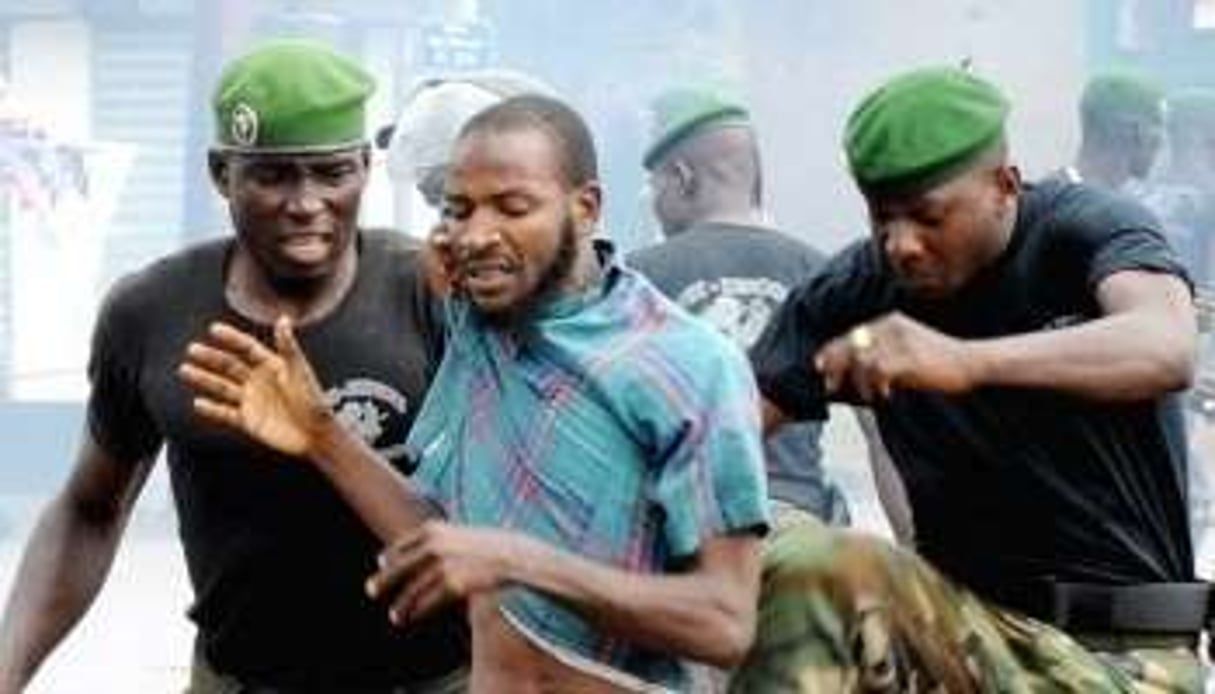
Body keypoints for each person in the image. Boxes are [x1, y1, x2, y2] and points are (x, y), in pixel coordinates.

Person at [179, 94, 770, 692]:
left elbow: (723, 622)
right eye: (457, 210)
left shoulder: (686, 366)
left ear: (586, 207)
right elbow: (444, 542)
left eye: (513, 208)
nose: (476, 235)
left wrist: (518, 560)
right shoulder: (482, 332)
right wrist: (321, 435)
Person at [0, 39, 469, 693]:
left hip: (430, 682)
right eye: (273, 175)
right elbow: (90, 509)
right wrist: (9, 667)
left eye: (332, 173)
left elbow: (501, 530)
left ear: (365, 166)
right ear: (223, 174)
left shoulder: (434, 291)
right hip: (240, 680)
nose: (305, 202)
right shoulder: (153, 312)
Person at [733, 65, 1205, 691]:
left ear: (1004, 186)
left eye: (928, 216)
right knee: (788, 547)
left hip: (1118, 657)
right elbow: (725, 429)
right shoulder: (855, 289)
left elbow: (1166, 346)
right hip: (957, 633)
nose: (900, 244)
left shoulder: (1084, 230)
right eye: (883, 217)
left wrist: (965, 361)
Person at [627, 85, 859, 530]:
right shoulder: (823, 271)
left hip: (686, 529)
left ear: (683, 176)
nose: (652, 200)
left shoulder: (637, 278)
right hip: (805, 527)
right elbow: (880, 433)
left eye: (655, 183)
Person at [1058, 71, 1166, 191]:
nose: (1161, 141)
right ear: (1134, 131)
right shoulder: (1110, 207)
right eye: (1157, 125)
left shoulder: (1049, 194)